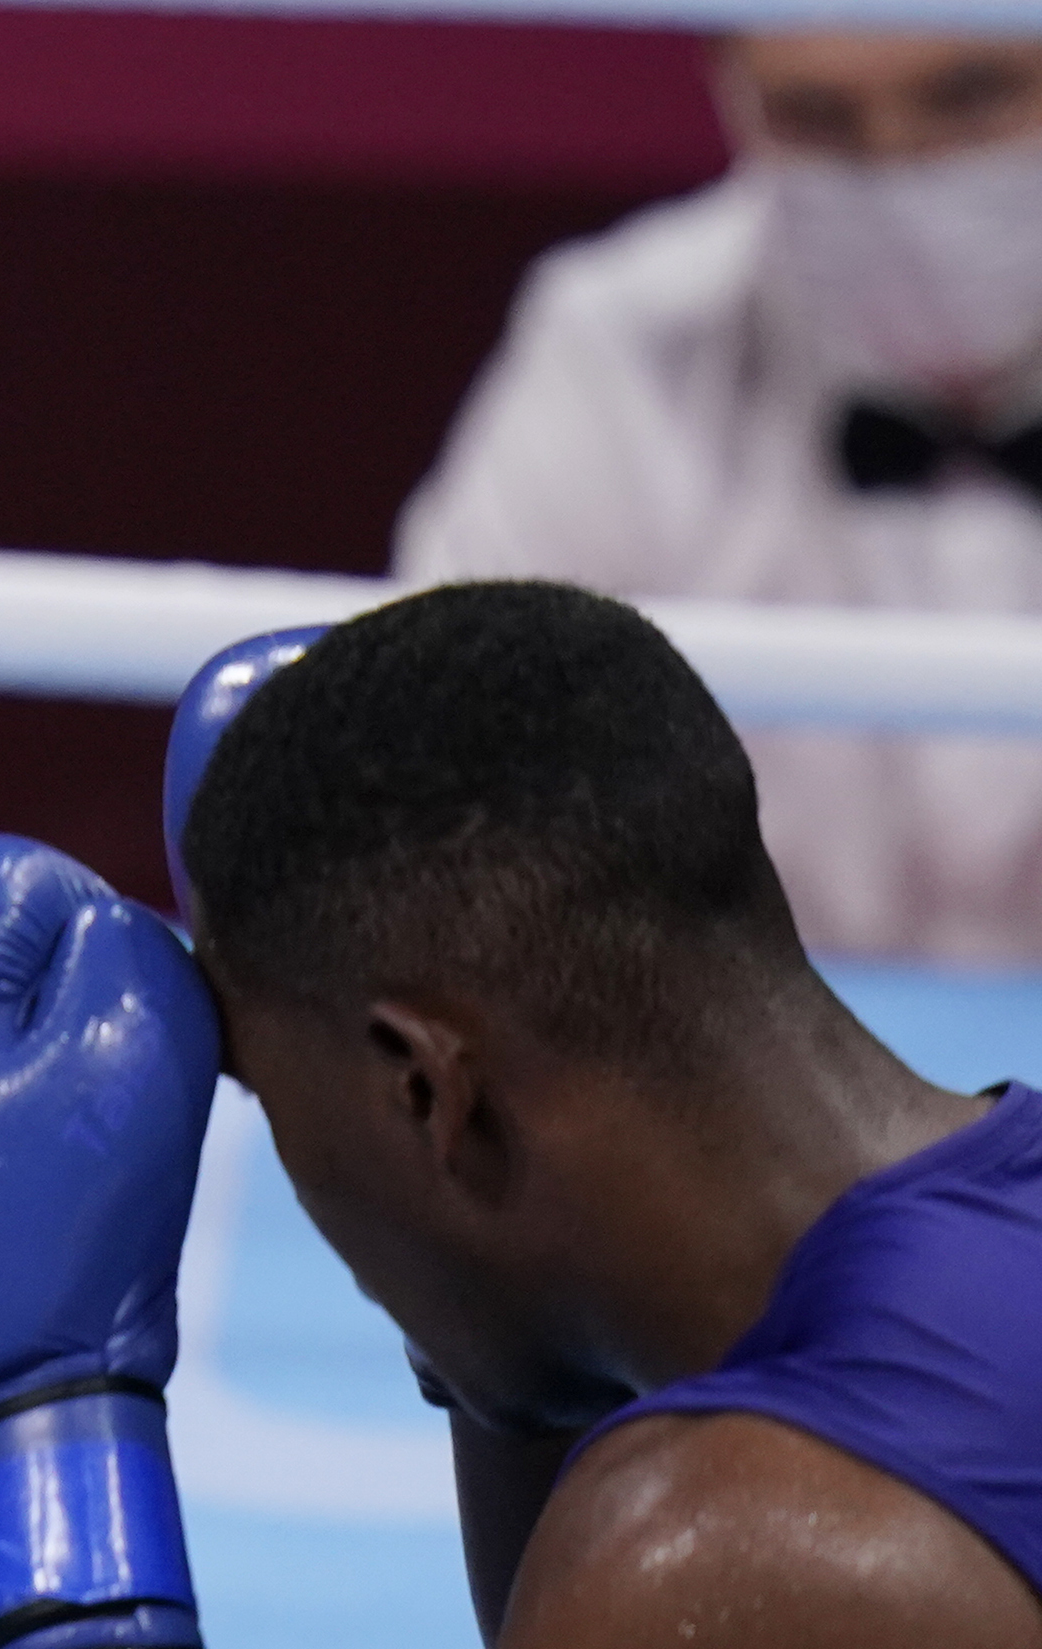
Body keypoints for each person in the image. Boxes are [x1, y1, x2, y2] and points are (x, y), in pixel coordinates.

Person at [0, 580, 1042, 1649]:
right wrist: (475, 1301)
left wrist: (20, 1423)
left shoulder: (758, 1553)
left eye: (274, 1102)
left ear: (426, 1087)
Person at [395, 35, 1042, 961]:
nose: (899, 171)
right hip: (734, 1080)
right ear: (734, 97)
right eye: (817, 119)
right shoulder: (617, 339)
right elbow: (439, 788)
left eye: (971, 95)